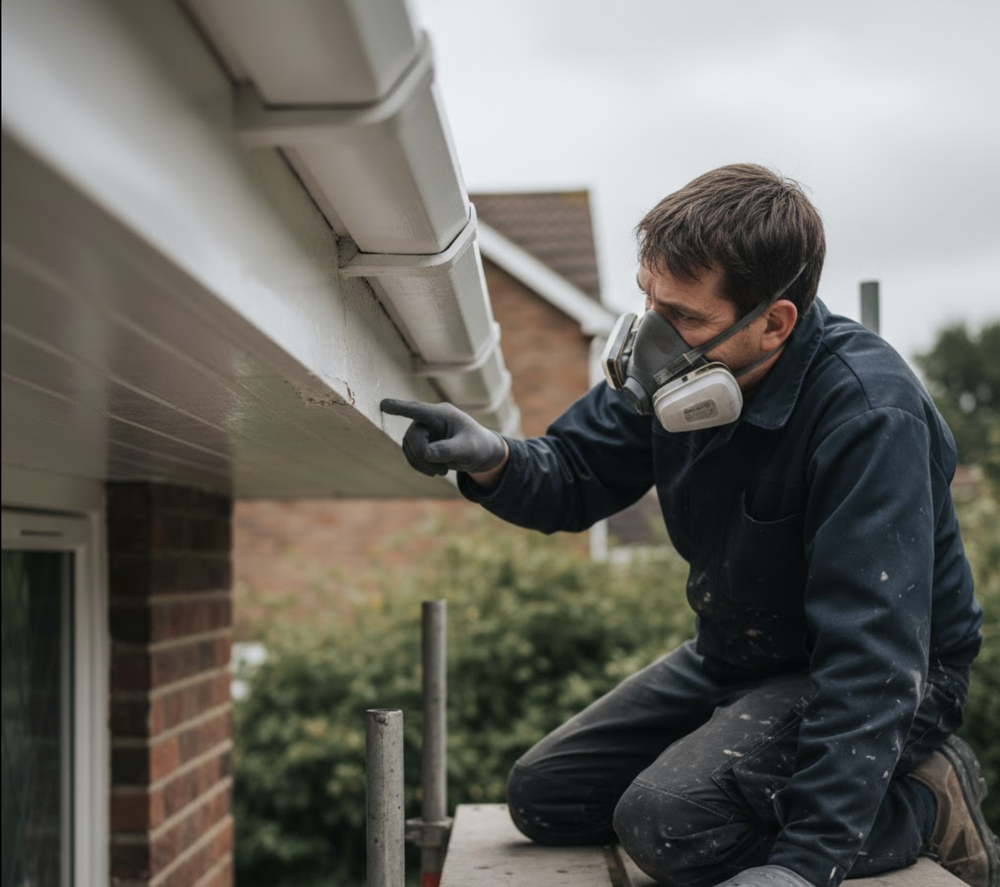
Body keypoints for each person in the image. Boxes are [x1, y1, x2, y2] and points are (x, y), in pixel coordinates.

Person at [380, 164, 998, 887]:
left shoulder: (867, 415)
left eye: (687, 319)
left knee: (668, 823)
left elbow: (873, 659)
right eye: (650, 302)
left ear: (774, 322)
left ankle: (927, 801)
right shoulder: (677, 376)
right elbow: (577, 471)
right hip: (734, 657)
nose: (656, 339)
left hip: (885, 678)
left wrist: (805, 865)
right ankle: (763, 778)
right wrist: (495, 461)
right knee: (547, 796)